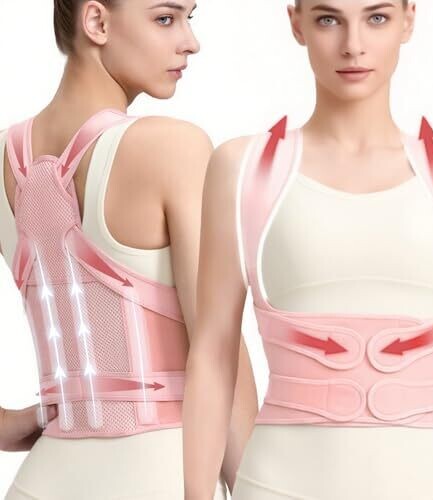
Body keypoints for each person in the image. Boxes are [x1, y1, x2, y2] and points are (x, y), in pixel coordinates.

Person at [182, 1, 433, 499]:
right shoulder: (242, 168)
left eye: (377, 18)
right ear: (297, 24)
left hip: (430, 484)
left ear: (408, 19)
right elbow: (212, 354)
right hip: (279, 484)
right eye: (329, 19)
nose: (353, 45)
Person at [0, 1, 258, 499]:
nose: (190, 42)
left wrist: (8, 424)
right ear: (97, 22)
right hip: (157, 474)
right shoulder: (173, 148)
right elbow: (218, 351)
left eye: (189, 18)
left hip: (41, 482)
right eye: (165, 18)